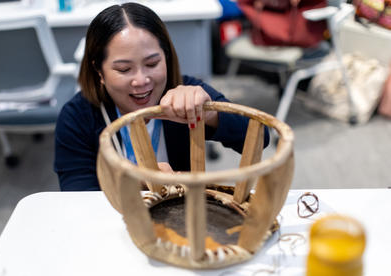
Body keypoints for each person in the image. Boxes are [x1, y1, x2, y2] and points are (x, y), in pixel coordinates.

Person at [54, 2, 269, 191]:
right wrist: (136, 181)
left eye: (152, 64)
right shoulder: (78, 117)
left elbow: (261, 137)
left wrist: (210, 113)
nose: (141, 80)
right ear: (99, 72)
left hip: (181, 220)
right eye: (123, 69)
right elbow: (77, 195)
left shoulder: (184, 93)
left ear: (166, 57)